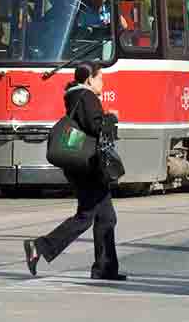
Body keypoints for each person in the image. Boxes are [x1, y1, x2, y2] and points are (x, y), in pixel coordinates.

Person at [22, 63, 122, 281]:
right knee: (87, 217)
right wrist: (112, 117)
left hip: (82, 166)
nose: (102, 83)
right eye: (100, 78)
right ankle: (40, 246)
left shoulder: (76, 96)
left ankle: (105, 268)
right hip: (87, 166)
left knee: (106, 217)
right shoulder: (86, 97)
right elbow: (96, 127)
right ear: (89, 80)